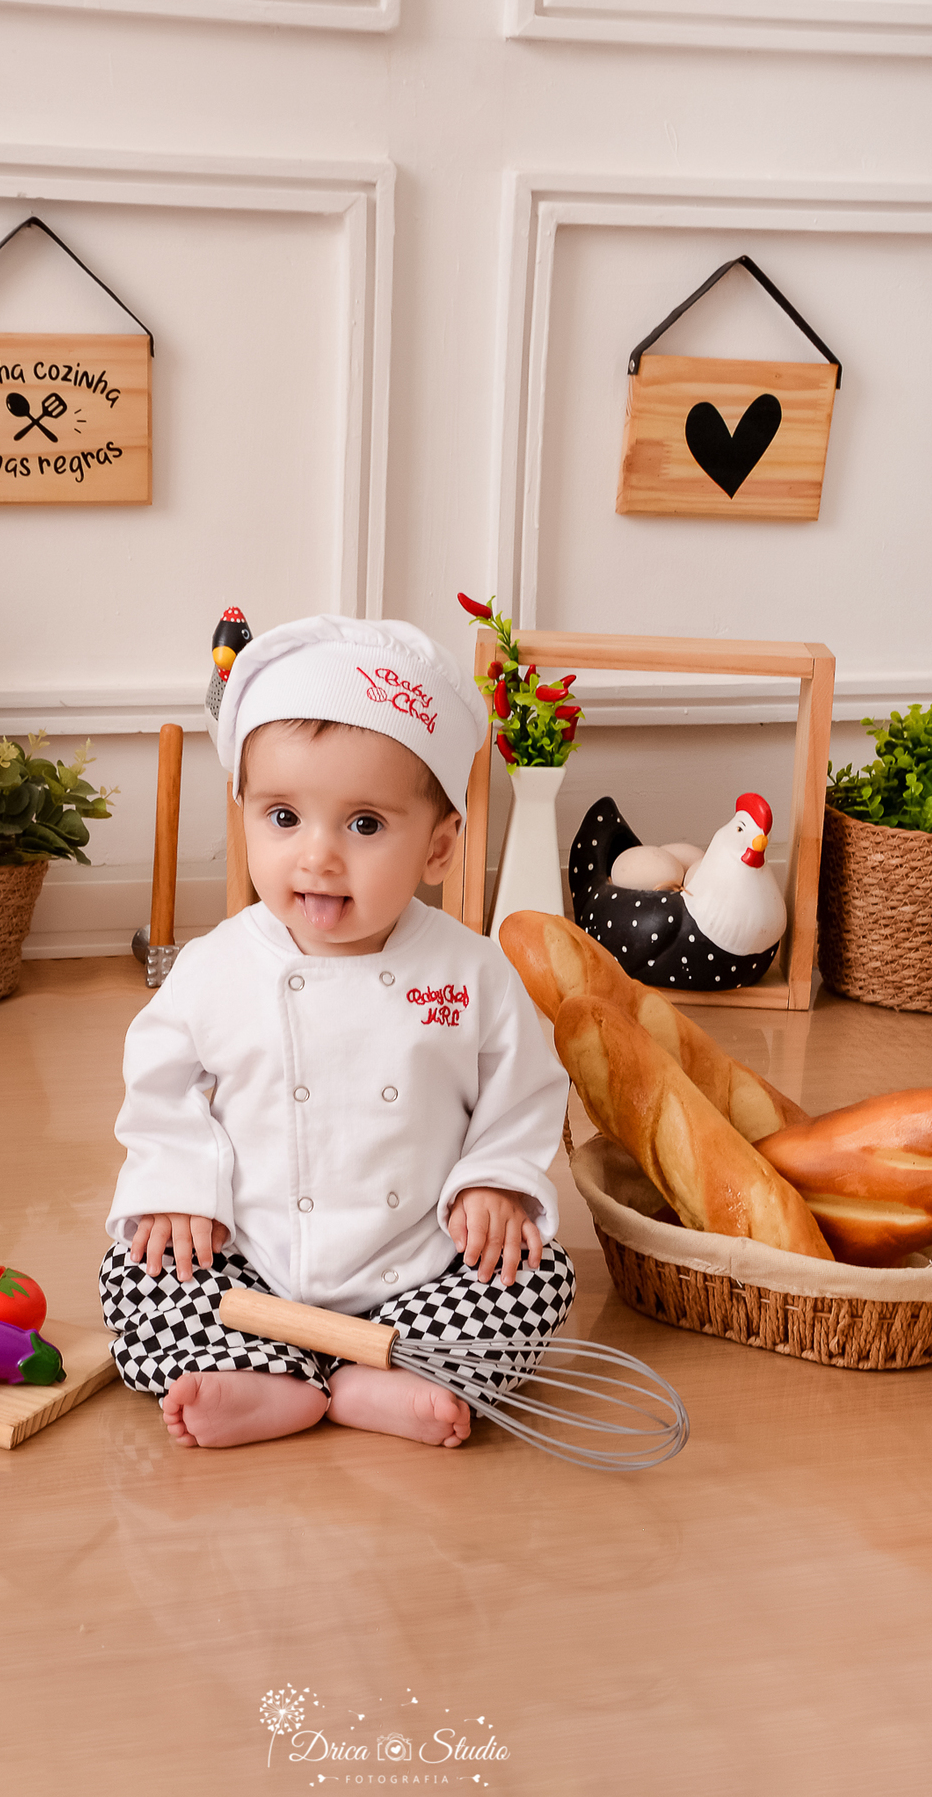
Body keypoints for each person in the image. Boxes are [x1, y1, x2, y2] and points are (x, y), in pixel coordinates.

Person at [100, 614, 574, 1451]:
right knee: (138, 1273)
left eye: (363, 826)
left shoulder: (472, 972)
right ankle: (260, 1376)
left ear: (439, 846)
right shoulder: (215, 965)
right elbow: (163, 1086)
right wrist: (176, 1186)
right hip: (249, 1258)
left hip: (420, 1260)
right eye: (283, 818)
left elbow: (525, 1090)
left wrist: (496, 1182)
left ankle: (379, 1374)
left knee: (536, 1279)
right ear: (243, 814)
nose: (316, 856)